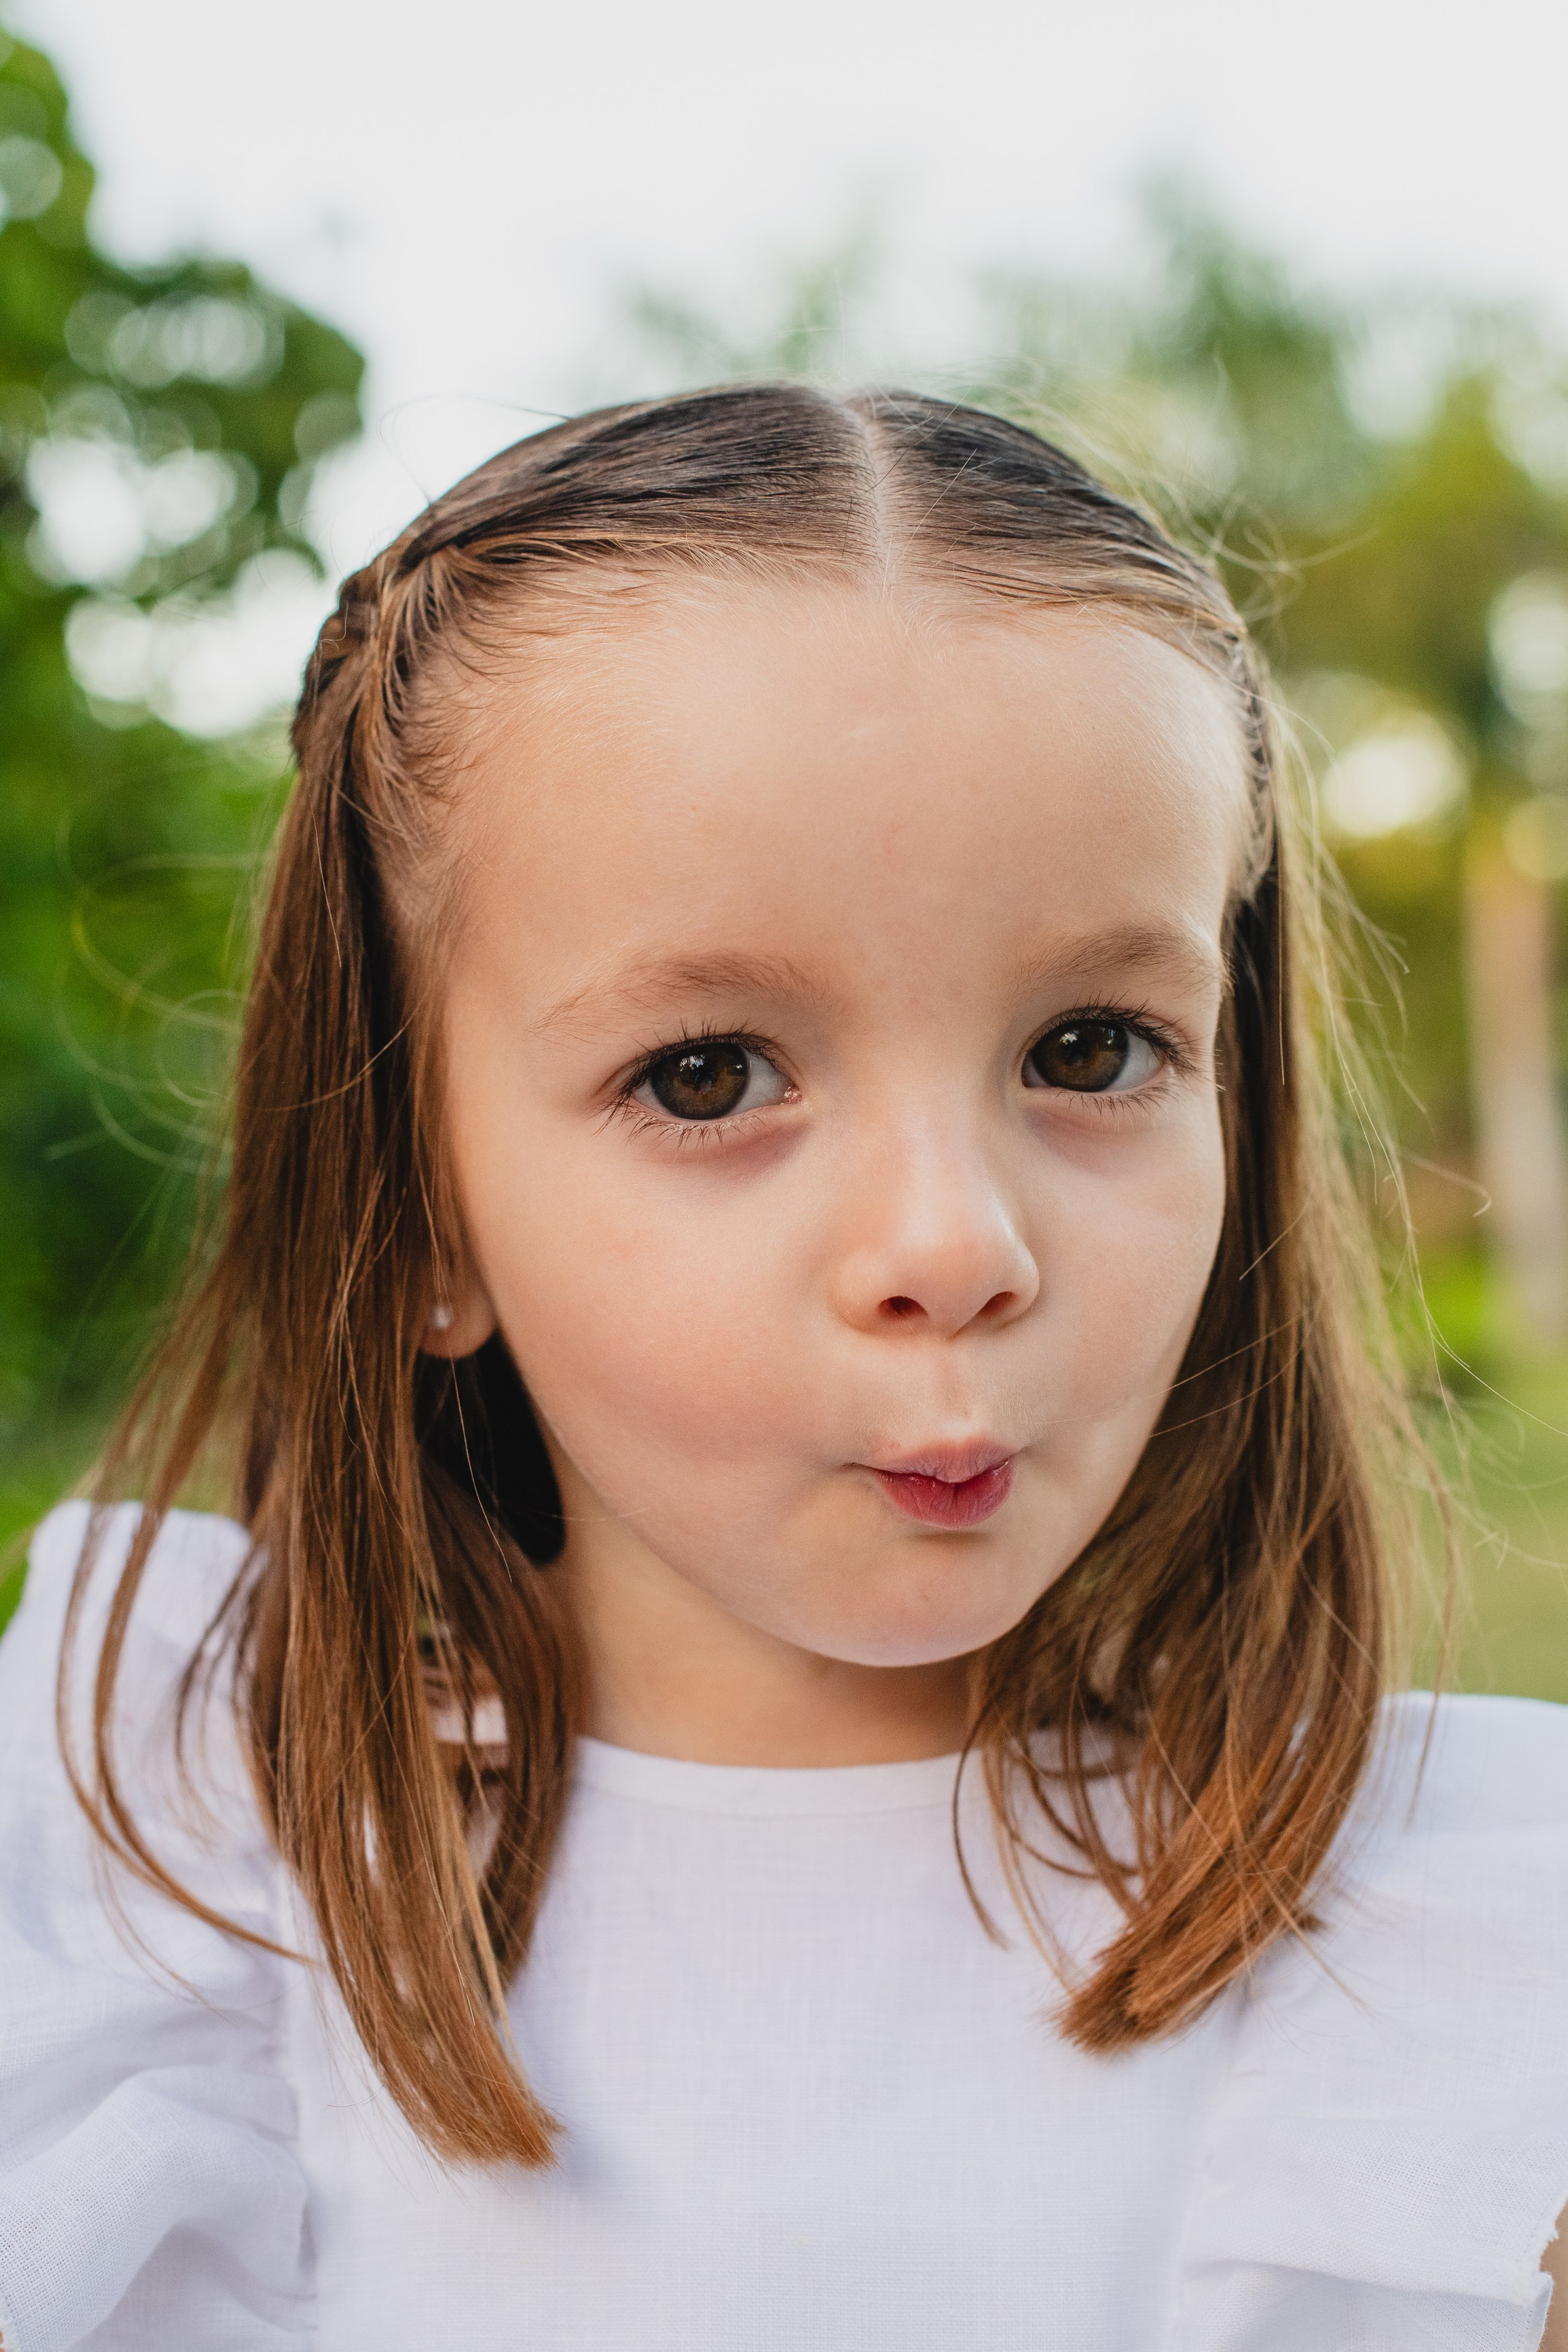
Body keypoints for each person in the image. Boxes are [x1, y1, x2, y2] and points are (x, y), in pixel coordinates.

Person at [0, 384, 1564, 2352]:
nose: (954, 1249)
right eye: (710, 1076)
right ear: (417, 1209)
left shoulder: (1487, 1992)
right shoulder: (154, 1899)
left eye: (1090, 1051)